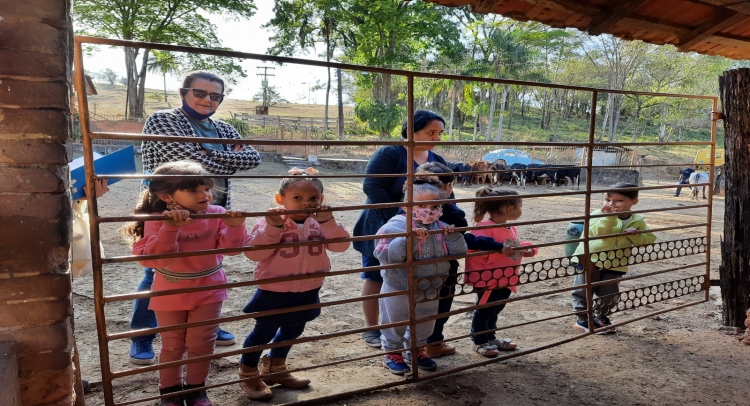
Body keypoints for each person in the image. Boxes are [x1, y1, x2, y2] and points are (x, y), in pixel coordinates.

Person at [130, 70, 261, 365]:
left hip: (211, 208)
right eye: (200, 93)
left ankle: (205, 323)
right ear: (183, 92)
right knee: (160, 270)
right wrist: (220, 160)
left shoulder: (223, 128)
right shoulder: (164, 120)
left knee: (206, 264)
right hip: (170, 207)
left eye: (215, 96)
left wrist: (206, 153)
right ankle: (142, 336)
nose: (207, 99)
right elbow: (186, 162)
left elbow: (253, 158)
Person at [124, 161, 248, 406]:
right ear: (166, 196)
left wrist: (236, 227)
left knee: (202, 342)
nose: (205, 195)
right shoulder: (158, 219)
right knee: (172, 344)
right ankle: (169, 392)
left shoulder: (216, 214)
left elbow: (231, 249)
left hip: (209, 289)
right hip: (170, 290)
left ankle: (196, 390)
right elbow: (155, 260)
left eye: (207, 189)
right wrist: (170, 229)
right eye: (194, 190)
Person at [238, 176, 350, 401]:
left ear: (322, 199)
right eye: (297, 198)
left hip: (309, 286)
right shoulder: (270, 221)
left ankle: (275, 367)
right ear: (281, 199)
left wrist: (329, 222)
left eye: (313, 198)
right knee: (264, 332)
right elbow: (253, 253)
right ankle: (248, 373)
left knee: (295, 328)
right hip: (274, 289)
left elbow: (341, 247)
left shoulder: (321, 222)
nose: (306, 203)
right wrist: (273, 227)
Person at [353, 110, 449, 348]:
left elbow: (445, 191)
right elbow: (373, 187)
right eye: (431, 132)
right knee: (376, 274)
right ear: (412, 131)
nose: (437, 138)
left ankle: (405, 331)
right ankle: (371, 326)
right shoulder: (391, 152)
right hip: (383, 224)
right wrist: (399, 222)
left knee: (406, 278)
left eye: (439, 133)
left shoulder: (436, 159)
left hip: (421, 230)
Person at [413, 163, 506, 358]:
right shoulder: (448, 211)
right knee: (439, 305)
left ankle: (425, 344)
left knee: (426, 306)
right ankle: (432, 343)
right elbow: (463, 235)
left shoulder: (409, 209)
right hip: (443, 268)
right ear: (448, 187)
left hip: (421, 268)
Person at [374, 181, 467, 375]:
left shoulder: (441, 226)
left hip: (430, 286)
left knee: (426, 321)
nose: (429, 211)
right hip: (399, 286)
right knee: (395, 321)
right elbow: (386, 256)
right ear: (407, 204)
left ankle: (416, 349)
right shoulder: (394, 226)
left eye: (434, 206)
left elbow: (459, 252)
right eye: (421, 205)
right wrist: (408, 239)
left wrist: (452, 236)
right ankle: (392, 352)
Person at [571, 182, 657, 333]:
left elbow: (649, 240)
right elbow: (597, 233)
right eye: (607, 200)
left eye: (619, 200)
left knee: (608, 294)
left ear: (634, 202)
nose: (611, 204)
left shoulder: (637, 220)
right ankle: (583, 319)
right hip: (589, 260)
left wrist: (636, 236)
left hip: (616, 263)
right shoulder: (598, 214)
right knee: (583, 291)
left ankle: (601, 317)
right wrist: (609, 217)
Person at [465, 187, 537, 358]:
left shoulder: (508, 226)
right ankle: (479, 341)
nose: (521, 210)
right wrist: (500, 252)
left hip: (505, 277)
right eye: (520, 206)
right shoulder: (483, 228)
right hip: (489, 279)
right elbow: (473, 250)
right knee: (485, 309)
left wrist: (529, 249)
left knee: (497, 307)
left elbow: (514, 243)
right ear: (510, 209)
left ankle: (490, 337)